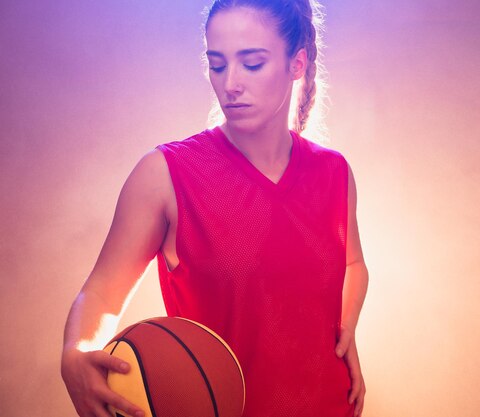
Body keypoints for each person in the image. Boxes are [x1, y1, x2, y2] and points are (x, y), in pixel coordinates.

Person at [61, 0, 369, 416]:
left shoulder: (334, 172)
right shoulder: (166, 174)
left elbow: (352, 265)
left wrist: (344, 327)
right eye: (217, 64)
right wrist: (76, 352)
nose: (230, 84)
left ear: (297, 64)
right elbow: (101, 292)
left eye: (252, 63)